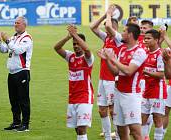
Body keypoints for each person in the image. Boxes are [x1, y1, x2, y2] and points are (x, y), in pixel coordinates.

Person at [98, 23, 147, 140]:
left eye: (124, 31)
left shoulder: (139, 52)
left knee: (135, 131)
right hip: (118, 93)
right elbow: (115, 72)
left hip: (131, 95)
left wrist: (113, 59)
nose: (122, 33)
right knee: (121, 130)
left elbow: (129, 71)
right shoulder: (123, 50)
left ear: (130, 34)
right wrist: (108, 60)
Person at [0, 16, 33, 132]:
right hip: (12, 72)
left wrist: (8, 41)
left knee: (23, 99)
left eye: (18, 23)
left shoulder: (27, 38)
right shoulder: (14, 37)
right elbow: (4, 50)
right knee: (13, 99)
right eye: (14, 23)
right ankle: (16, 122)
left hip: (22, 72)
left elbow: (19, 50)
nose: (15, 25)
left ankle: (25, 125)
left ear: (24, 25)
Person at [54, 24, 94, 140]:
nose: (76, 46)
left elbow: (87, 49)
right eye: (74, 44)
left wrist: (75, 35)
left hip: (85, 97)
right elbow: (56, 48)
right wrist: (68, 37)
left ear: (82, 43)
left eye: (78, 44)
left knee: (82, 128)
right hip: (73, 98)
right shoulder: (70, 57)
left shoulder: (88, 59)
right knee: (77, 129)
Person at [90, 5, 121, 140]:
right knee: (102, 109)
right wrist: (104, 15)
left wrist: (109, 14)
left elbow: (108, 27)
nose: (107, 30)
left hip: (112, 80)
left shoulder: (119, 39)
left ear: (116, 28)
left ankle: (119, 135)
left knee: (113, 110)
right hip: (103, 78)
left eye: (109, 27)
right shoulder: (107, 38)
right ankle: (108, 137)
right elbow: (92, 27)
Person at [141, 29, 167, 140]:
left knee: (157, 118)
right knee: (142, 119)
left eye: (148, 38)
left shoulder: (160, 54)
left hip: (158, 91)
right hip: (146, 90)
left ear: (156, 40)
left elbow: (161, 75)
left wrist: (145, 71)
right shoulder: (145, 53)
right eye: (145, 38)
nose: (145, 40)